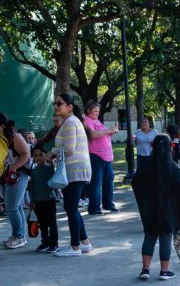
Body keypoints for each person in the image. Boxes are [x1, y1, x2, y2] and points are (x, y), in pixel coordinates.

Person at [132, 134, 180, 281]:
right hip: (168, 208)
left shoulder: (146, 166)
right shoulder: (173, 168)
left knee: (149, 236)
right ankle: (164, 271)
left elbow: (135, 182)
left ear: (152, 146)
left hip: (149, 207)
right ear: (170, 148)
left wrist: (143, 199)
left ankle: (145, 269)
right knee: (165, 236)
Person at [54, 93, 93, 257]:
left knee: (70, 208)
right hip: (76, 171)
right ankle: (84, 243)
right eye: (54, 104)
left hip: (74, 171)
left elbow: (69, 148)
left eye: (59, 104)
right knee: (72, 208)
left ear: (69, 107)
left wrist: (51, 152)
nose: (56, 106)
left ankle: (75, 247)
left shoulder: (70, 123)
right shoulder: (71, 122)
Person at [0, 112, 31, 249]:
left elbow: (26, 154)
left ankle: (19, 236)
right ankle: (19, 235)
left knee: (12, 206)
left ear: (2, 126)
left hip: (18, 174)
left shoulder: (15, 137)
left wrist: (13, 167)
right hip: (5, 176)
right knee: (16, 206)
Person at [83, 100, 118, 215]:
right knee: (96, 183)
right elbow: (92, 135)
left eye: (98, 111)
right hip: (95, 155)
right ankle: (94, 208)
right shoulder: (86, 121)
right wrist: (108, 131)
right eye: (95, 111)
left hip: (106, 156)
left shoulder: (97, 121)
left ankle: (108, 204)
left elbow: (103, 134)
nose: (97, 113)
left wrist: (111, 132)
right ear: (88, 110)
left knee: (109, 180)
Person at [29, 147, 59, 252]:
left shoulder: (50, 168)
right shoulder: (34, 170)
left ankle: (54, 244)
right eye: (35, 155)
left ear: (45, 156)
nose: (38, 158)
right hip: (38, 201)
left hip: (49, 200)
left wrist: (51, 163)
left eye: (41, 155)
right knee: (42, 223)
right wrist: (32, 201)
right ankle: (45, 242)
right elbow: (32, 187)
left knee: (52, 223)